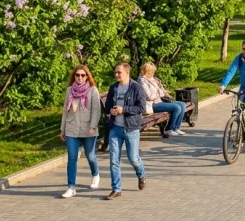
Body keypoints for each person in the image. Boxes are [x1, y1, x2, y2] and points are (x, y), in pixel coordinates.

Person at [104, 63, 147, 199]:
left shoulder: (136, 88)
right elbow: (108, 105)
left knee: (133, 158)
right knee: (114, 160)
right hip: (115, 129)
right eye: (115, 72)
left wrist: (124, 109)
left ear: (127, 72)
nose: (116, 75)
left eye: (119, 73)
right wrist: (110, 110)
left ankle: (141, 174)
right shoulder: (113, 88)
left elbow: (141, 108)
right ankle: (116, 189)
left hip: (131, 129)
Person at [59, 64, 101, 198]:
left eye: (83, 75)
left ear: (87, 76)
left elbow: (96, 110)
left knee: (90, 155)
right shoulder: (69, 90)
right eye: (77, 75)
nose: (80, 78)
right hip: (71, 128)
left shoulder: (93, 90)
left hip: (87, 128)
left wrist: (93, 127)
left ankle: (95, 174)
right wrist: (62, 129)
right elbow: (65, 111)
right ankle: (71, 187)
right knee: (72, 157)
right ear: (74, 76)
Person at [138, 63, 186, 136]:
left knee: (182, 104)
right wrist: (161, 93)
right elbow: (149, 96)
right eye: (151, 71)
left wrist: (163, 92)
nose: (153, 72)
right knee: (177, 107)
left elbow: (161, 90)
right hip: (152, 104)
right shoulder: (142, 81)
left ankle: (176, 128)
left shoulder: (153, 79)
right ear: (147, 71)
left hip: (159, 101)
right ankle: (169, 129)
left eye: (153, 71)